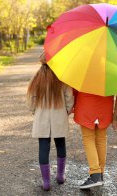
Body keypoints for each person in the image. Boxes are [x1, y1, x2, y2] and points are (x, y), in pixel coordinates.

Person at [26, 51, 74, 191]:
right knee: (60, 144)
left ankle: (46, 182)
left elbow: (31, 99)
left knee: (43, 147)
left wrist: (35, 111)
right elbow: (69, 96)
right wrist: (67, 110)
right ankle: (60, 175)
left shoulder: (36, 78)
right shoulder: (62, 77)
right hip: (59, 116)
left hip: (42, 117)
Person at [73, 91, 114, 189]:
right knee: (101, 139)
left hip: (87, 104)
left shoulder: (83, 74)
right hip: (105, 104)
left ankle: (95, 174)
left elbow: (74, 90)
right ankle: (100, 174)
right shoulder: (108, 75)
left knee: (88, 138)